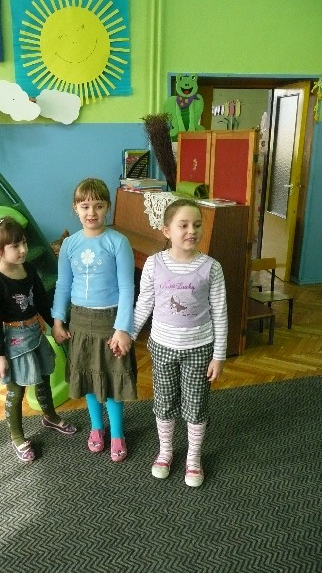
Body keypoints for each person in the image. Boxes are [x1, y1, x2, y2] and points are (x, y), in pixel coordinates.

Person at [132, 198, 227, 486]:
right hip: (162, 348)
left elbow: (220, 312)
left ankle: (193, 458)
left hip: (199, 349)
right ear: (166, 230)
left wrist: (219, 355)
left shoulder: (211, 267)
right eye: (183, 225)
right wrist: (129, 334)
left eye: (197, 225)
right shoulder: (154, 264)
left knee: (196, 406)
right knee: (164, 403)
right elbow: (144, 303)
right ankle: (166, 451)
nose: (191, 231)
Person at [51, 178, 137, 463]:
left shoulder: (118, 242)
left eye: (98, 206)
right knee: (87, 377)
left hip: (110, 322)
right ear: (75, 208)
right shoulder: (69, 245)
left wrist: (123, 328)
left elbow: (127, 287)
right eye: (85, 206)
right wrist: (58, 319)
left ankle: (117, 433)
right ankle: (97, 428)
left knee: (112, 379)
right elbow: (63, 285)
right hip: (80, 321)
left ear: (107, 207)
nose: (92, 212)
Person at [0, 216, 77, 464]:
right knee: (17, 390)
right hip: (14, 342)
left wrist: (56, 325)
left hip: (35, 333)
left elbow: (42, 302)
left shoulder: (29, 269)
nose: (23, 249)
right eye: (15, 246)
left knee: (43, 377)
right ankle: (17, 437)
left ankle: (50, 417)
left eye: (24, 242)